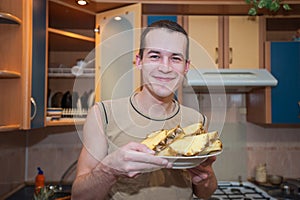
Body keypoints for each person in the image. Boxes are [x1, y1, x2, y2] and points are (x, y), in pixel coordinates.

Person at [71, 20, 218, 200]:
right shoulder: (102, 115)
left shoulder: (197, 121)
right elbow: (79, 196)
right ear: (139, 61)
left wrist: (205, 176)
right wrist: (109, 169)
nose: (165, 67)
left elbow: (205, 192)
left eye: (175, 58)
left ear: (186, 67)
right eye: (155, 56)